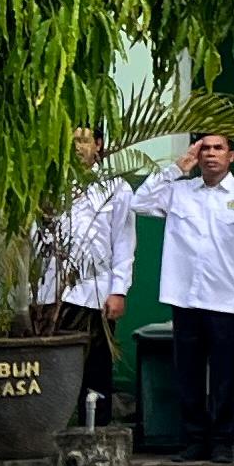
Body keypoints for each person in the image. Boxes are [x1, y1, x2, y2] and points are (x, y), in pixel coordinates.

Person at [137, 134, 234, 463]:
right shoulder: (179, 192)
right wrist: (177, 168)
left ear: (231, 156)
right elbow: (140, 201)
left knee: (225, 375)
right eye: (204, 148)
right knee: (188, 373)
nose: (210, 154)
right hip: (185, 298)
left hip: (228, 299)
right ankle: (193, 439)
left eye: (217, 148)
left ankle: (223, 440)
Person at [39, 130, 137, 414]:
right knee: (52, 368)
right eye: (70, 142)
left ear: (98, 145)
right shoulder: (48, 183)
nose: (77, 148)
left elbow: (123, 242)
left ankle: (96, 433)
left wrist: (119, 290)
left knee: (95, 366)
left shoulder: (116, 187)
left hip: (95, 291)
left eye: (83, 141)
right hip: (50, 290)